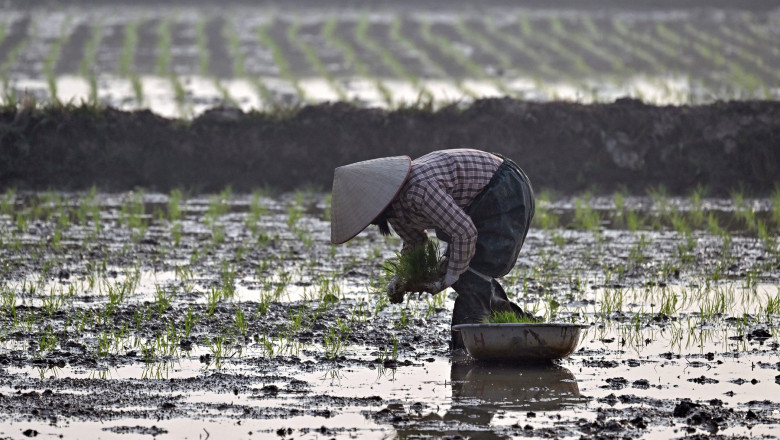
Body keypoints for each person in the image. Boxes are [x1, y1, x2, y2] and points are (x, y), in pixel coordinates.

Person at [330, 148, 535, 350]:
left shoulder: (419, 189)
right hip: (480, 198)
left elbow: (465, 232)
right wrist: (401, 280)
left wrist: (449, 278)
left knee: (470, 273)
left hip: (503, 186)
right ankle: (518, 325)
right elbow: (415, 244)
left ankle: (467, 350)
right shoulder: (394, 209)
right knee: (465, 270)